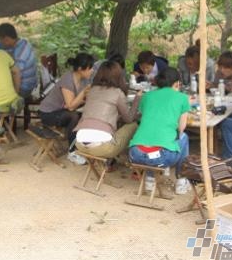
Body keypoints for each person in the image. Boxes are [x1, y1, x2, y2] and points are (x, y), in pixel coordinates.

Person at [128, 67, 191, 195]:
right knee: (184, 137)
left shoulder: (147, 96)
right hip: (161, 157)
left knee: (151, 141)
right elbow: (181, 128)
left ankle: (150, 179)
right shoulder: (182, 98)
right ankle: (181, 181)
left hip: (135, 154)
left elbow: (145, 119)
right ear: (177, 83)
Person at [75, 61, 142, 160]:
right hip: (103, 148)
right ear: (119, 76)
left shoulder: (92, 90)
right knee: (132, 125)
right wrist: (138, 98)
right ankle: (132, 157)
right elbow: (128, 119)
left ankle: (110, 161)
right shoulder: (117, 92)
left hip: (79, 144)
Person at [39, 53, 95, 165]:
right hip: (48, 113)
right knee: (74, 116)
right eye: (90, 68)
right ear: (80, 69)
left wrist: (83, 99)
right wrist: (83, 93)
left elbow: (78, 101)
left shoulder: (84, 80)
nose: (92, 70)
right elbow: (71, 106)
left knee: (85, 114)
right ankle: (72, 152)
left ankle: (85, 145)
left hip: (62, 111)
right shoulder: (67, 80)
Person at [0, 23, 37, 99]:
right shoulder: (22, 42)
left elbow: (16, 74)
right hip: (28, 82)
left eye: (0, 39)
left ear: (7, 39)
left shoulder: (20, 54)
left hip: (25, 88)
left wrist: (15, 96)